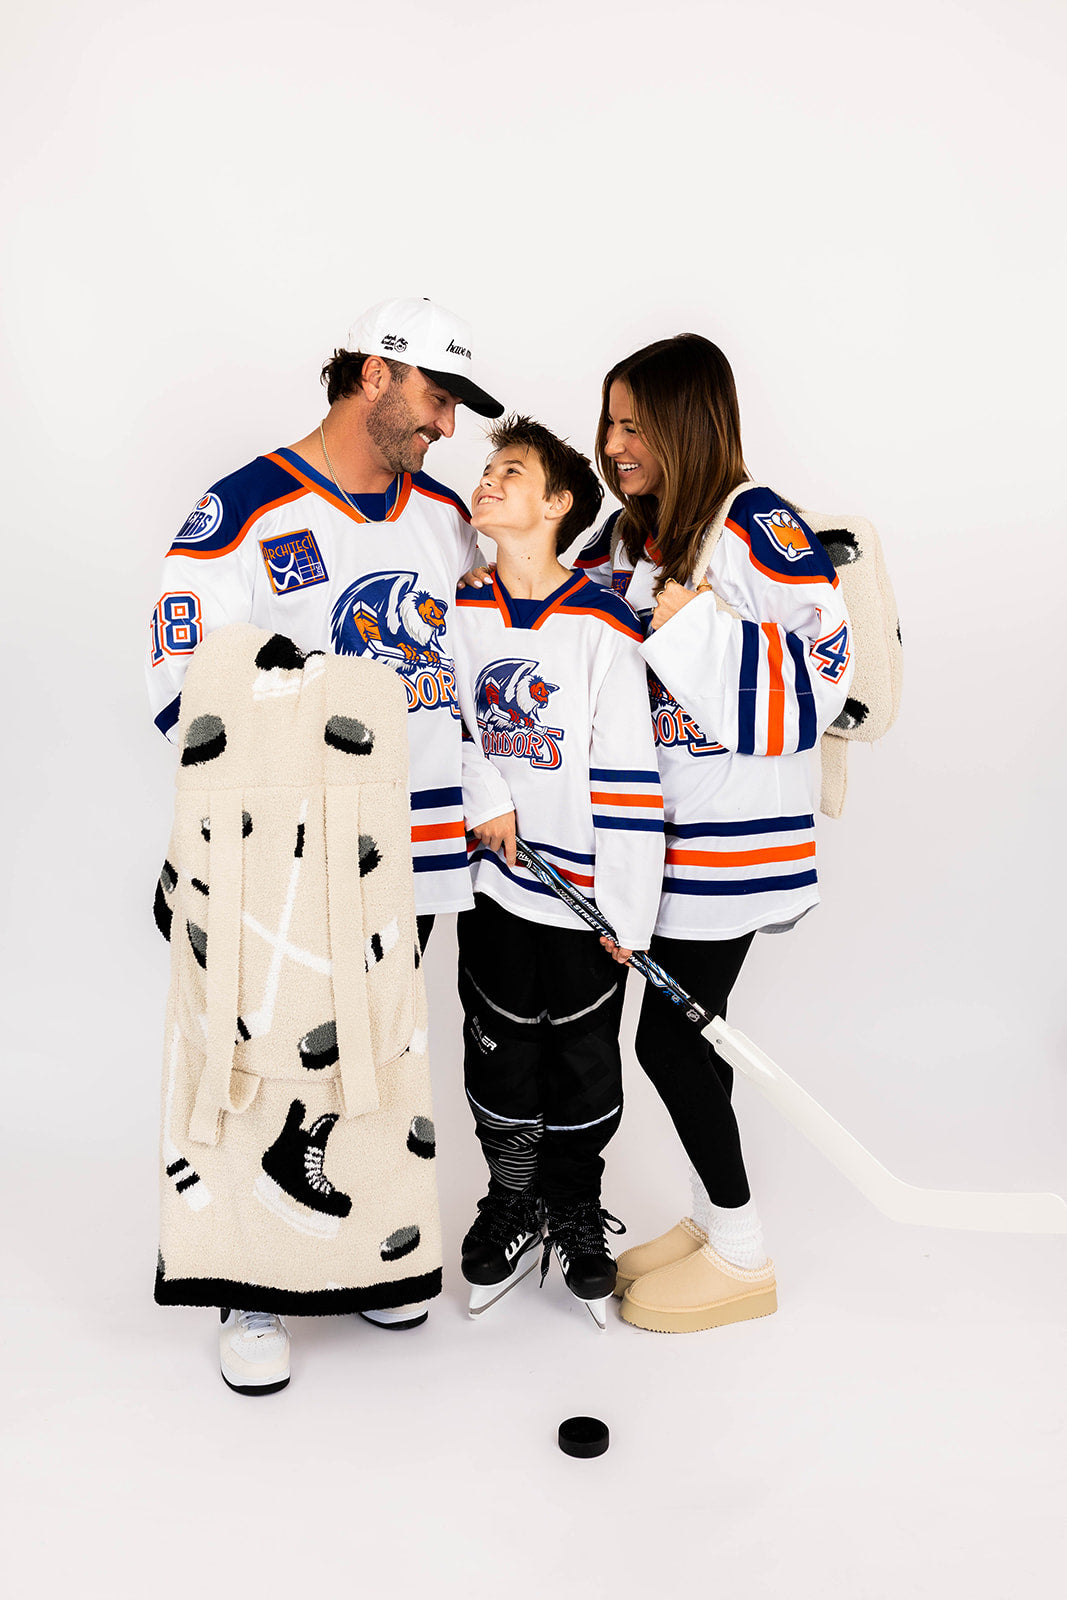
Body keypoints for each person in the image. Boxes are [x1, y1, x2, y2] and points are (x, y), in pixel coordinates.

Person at [146, 297, 513, 1387]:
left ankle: (374, 1259)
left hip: (418, 842)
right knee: (258, 1054)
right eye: (436, 400)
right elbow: (181, 681)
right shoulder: (246, 508)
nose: (445, 426)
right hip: (287, 850)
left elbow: (467, 668)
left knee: (385, 1052)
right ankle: (248, 1290)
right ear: (373, 376)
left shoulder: (445, 517)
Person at [573, 333, 854, 1333]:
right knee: (675, 1034)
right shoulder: (629, 533)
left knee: (670, 1037)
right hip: (651, 839)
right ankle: (706, 1219)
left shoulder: (751, 523)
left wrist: (688, 622)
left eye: (633, 422)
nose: (613, 445)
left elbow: (820, 677)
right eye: (608, 422)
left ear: (688, 420)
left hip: (728, 847)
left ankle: (741, 1251)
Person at [452, 416, 663, 1326]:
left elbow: (627, 772)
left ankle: (573, 1205)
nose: (487, 482)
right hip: (492, 885)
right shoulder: (455, 606)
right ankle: (513, 1197)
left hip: (581, 902)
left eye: (510, 471)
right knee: (498, 1053)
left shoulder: (602, 622)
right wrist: (482, 791)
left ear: (557, 503)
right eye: (486, 469)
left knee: (580, 1062)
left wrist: (624, 909)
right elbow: (436, 719)